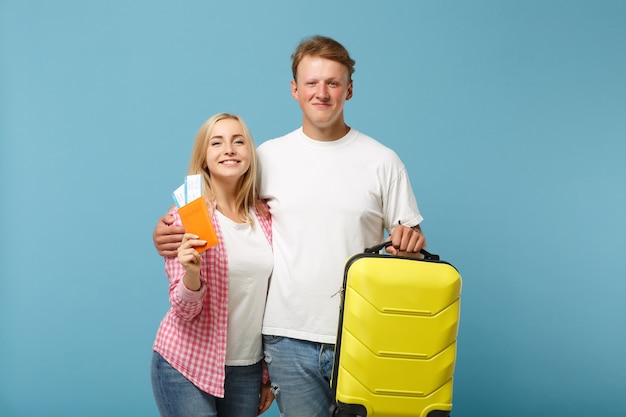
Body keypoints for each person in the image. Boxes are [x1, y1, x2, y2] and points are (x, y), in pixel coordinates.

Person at [153, 36, 426, 417]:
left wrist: (409, 245)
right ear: (294, 89)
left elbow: (409, 242)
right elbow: (218, 199)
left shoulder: (383, 161)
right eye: (311, 83)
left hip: (360, 337)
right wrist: (166, 228)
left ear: (349, 89)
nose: (322, 93)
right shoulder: (266, 157)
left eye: (333, 82)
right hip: (286, 343)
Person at [150, 113, 275, 417]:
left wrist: (266, 376)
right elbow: (185, 310)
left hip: (246, 369)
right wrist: (191, 274)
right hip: (188, 363)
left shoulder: (266, 217)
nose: (229, 149)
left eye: (238, 141)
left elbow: (274, 298)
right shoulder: (188, 216)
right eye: (216, 143)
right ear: (204, 159)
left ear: (250, 154)